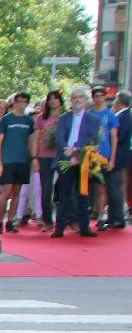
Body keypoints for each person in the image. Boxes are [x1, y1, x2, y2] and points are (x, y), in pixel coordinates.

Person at [51, 88, 104, 239]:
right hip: (65, 159)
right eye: (74, 97)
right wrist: (69, 153)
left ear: (86, 100)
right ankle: (60, 227)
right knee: (64, 195)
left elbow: (93, 139)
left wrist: (77, 151)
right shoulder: (64, 118)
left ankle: (84, 227)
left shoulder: (93, 119)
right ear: (71, 101)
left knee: (83, 195)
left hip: (83, 161)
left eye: (80, 97)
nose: (77, 100)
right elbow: (60, 138)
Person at [0, 92, 33, 235]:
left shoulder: (29, 121)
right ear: (14, 103)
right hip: (8, 160)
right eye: (19, 101)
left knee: (17, 192)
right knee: (6, 192)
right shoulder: (6, 119)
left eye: (24, 101)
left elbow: (31, 140)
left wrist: (32, 158)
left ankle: (10, 221)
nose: (21, 104)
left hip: (23, 160)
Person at [32, 89, 63, 229]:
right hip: (44, 157)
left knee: (65, 189)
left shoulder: (65, 116)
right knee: (45, 190)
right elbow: (36, 138)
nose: (52, 101)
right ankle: (47, 221)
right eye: (50, 98)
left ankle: (65, 220)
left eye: (55, 98)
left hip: (61, 156)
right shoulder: (41, 118)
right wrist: (35, 157)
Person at [90, 86, 120, 228]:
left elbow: (114, 138)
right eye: (96, 95)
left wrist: (112, 159)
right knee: (86, 187)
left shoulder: (110, 115)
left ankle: (101, 216)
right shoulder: (88, 114)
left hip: (103, 156)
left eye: (101, 95)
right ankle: (88, 213)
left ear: (105, 97)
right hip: (88, 156)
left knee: (102, 187)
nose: (99, 98)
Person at [109, 91, 131, 229]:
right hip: (117, 155)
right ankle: (113, 216)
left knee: (115, 186)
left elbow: (120, 136)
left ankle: (117, 218)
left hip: (118, 156)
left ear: (120, 101)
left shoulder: (125, 117)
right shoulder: (121, 115)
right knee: (113, 186)